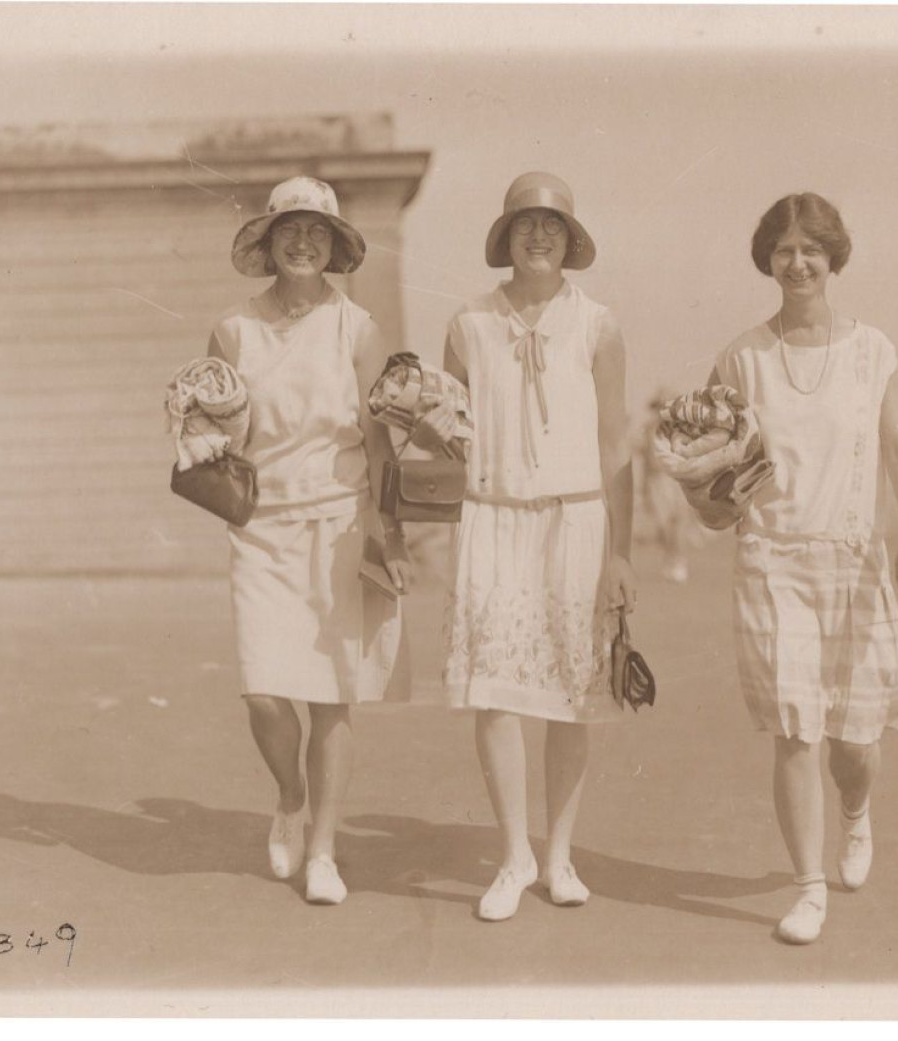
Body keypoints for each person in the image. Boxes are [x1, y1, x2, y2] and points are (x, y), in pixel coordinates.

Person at [706, 192, 898, 945]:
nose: (796, 262)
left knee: (854, 743)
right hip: (772, 559)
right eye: (782, 250)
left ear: (833, 256)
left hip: (851, 556)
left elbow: (896, 443)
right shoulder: (741, 356)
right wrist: (706, 495)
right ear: (766, 260)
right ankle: (807, 885)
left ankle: (856, 814)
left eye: (810, 248)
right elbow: (715, 461)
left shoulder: (871, 349)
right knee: (795, 730)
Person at [413, 171, 637, 921]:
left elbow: (615, 448)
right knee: (495, 692)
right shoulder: (466, 325)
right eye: (523, 224)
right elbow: (445, 433)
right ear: (504, 237)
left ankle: (559, 854)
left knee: (571, 696)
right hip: (492, 516)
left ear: (570, 240)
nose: (537, 235)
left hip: (575, 520)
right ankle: (512, 855)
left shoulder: (598, 324)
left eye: (551, 224)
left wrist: (622, 554)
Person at [184, 177, 412, 906]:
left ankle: (322, 849)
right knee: (262, 691)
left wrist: (388, 531)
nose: (303, 241)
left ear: (335, 245)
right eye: (290, 230)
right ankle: (289, 793)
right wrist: (194, 426)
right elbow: (214, 426)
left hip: (340, 522)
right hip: (262, 527)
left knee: (332, 698)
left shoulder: (359, 329)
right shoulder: (233, 331)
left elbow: (381, 445)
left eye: (317, 231)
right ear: (269, 242)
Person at [636, 390, 699, 583]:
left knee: (676, 522)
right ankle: (670, 558)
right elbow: (645, 462)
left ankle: (678, 561)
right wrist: (644, 487)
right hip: (655, 481)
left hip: (673, 479)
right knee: (662, 525)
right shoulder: (648, 430)